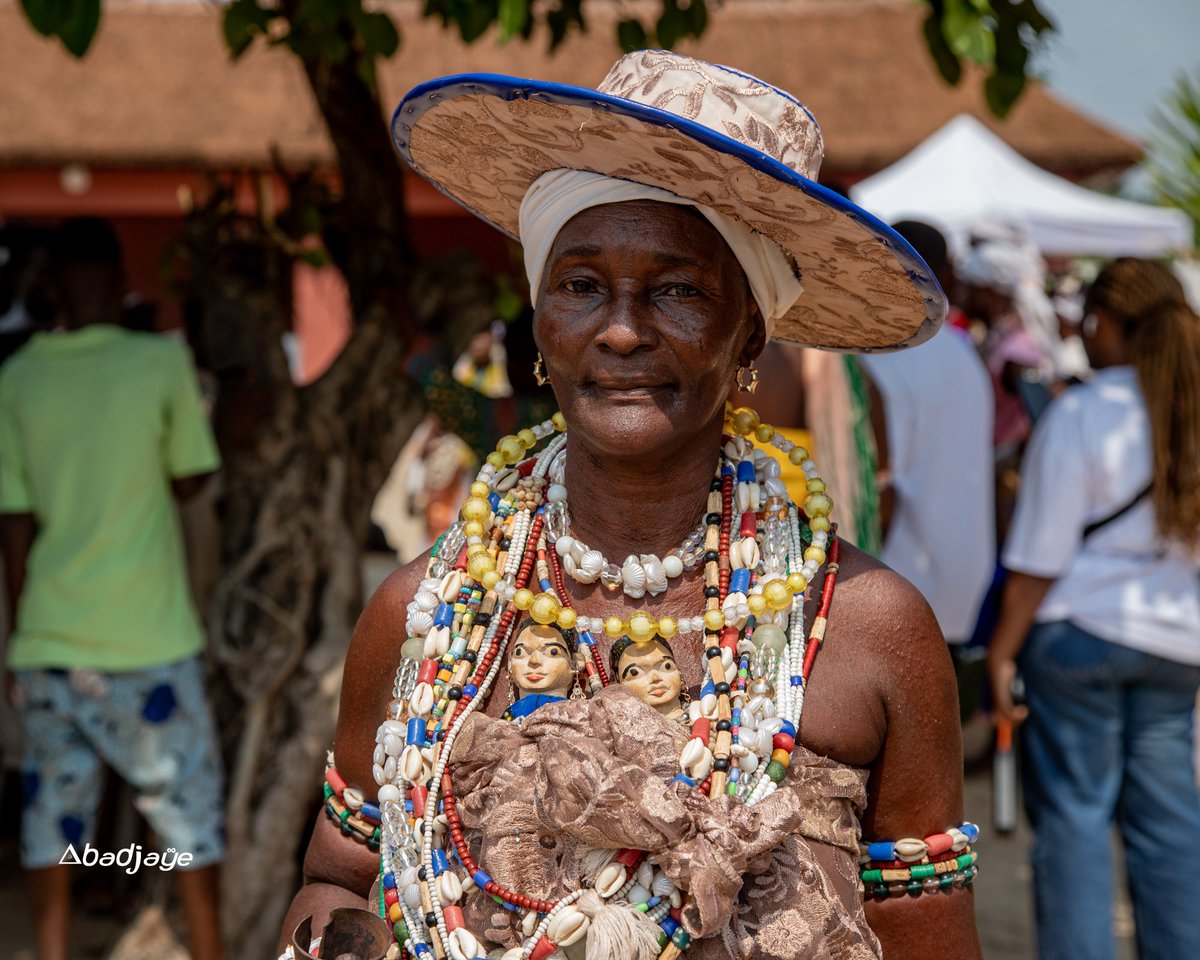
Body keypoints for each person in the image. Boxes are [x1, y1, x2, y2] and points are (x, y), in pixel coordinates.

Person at [281, 52, 979, 960]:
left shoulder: (867, 628)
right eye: (580, 286)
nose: (620, 329)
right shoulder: (421, 616)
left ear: (748, 336)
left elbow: (928, 936)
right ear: (540, 320)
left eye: (679, 291)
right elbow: (337, 875)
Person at [0, 219, 227, 960]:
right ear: (121, 278)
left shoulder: (18, 376)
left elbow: (16, 523)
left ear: (51, 288)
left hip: (51, 640)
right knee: (188, 825)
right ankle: (209, 951)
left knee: (51, 829)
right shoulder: (158, 366)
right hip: (150, 638)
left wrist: (17, 638)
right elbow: (192, 478)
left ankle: (53, 951)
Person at [987, 258, 1200, 960]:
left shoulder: (1083, 410)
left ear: (1104, 323)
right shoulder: (1190, 410)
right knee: (1171, 827)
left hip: (1078, 638)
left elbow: (1039, 558)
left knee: (1076, 822)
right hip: (1176, 644)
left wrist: (1002, 652)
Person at [861, 221, 994, 717]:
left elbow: (881, 484)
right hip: (958, 578)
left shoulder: (884, 352)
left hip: (896, 579)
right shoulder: (961, 352)